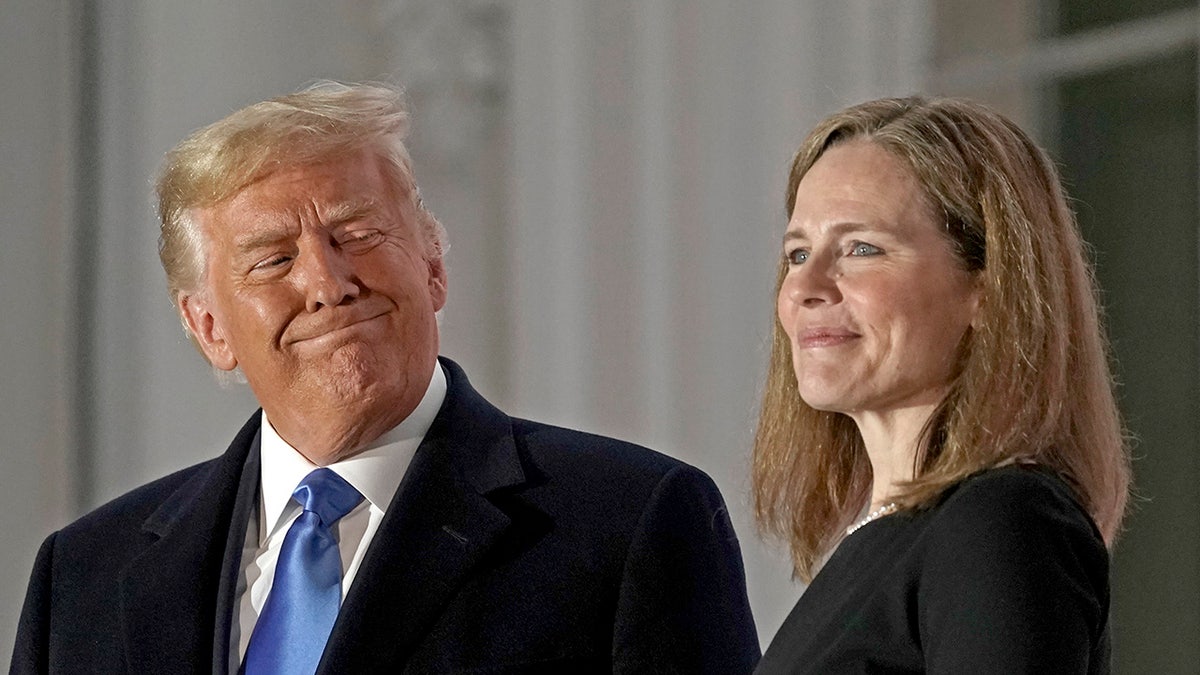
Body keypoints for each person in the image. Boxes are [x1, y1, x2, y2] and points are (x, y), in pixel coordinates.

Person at [11, 81, 760, 674]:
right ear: (209, 327)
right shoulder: (81, 579)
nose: (329, 282)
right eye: (273, 259)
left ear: (432, 263)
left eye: (358, 234)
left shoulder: (631, 522)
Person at [752, 97, 1130, 673]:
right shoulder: (895, 540)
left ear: (988, 287)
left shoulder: (1000, 526)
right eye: (797, 253)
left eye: (861, 249)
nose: (806, 285)